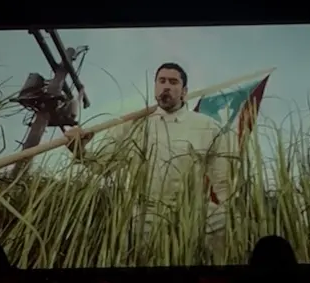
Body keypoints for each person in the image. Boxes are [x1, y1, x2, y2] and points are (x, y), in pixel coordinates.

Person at [64, 62, 233, 261]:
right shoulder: (132, 125)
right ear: (155, 87)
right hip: (146, 217)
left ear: (184, 91)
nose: (166, 86)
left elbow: (223, 183)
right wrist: (79, 150)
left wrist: (226, 214)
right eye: (161, 81)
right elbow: (102, 165)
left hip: (192, 214)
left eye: (173, 82)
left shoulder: (207, 126)